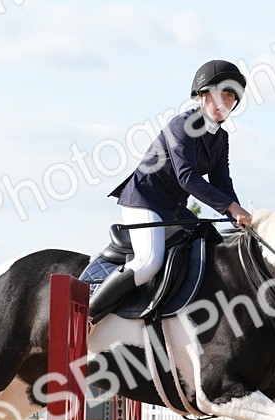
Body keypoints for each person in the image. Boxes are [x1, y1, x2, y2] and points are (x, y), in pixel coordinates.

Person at [93, 59, 254, 322]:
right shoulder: (182, 125)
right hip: (143, 200)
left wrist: (240, 219)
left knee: (211, 246)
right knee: (148, 263)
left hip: (172, 209)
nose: (228, 101)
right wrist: (232, 208)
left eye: (232, 97)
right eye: (223, 94)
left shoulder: (221, 137)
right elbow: (187, 177)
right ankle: (88, 314)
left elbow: (222, 183)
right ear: (203, 94)